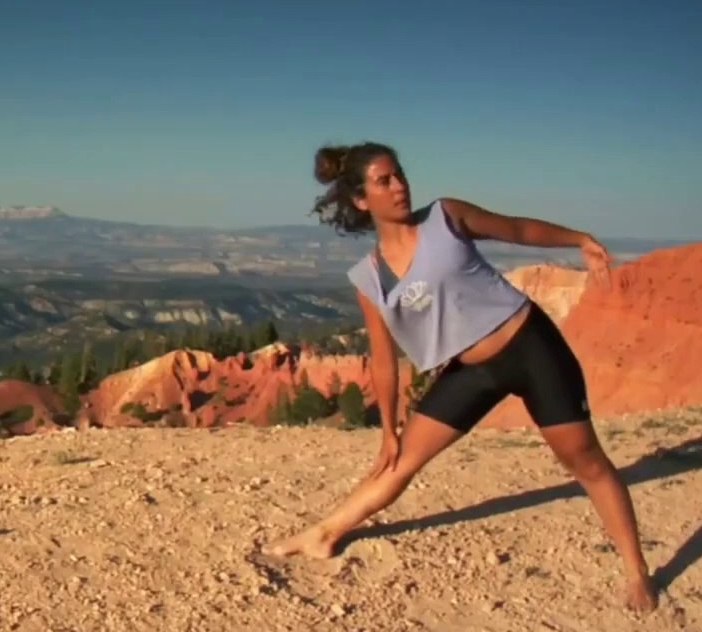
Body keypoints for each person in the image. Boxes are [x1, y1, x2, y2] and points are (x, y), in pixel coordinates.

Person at [264, 141, 658, 612]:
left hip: (532, 349)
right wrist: (388, 429)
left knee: (585, 461)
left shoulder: (446, 218)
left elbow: (516, 228)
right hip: (471, 369)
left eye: (400, 174)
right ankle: (323, 535)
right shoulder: (368, 277)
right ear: (360, 200)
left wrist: (578, 239)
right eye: (384, 181)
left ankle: (637, 571)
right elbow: (383, 358)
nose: (400, 185)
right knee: (398, 460)